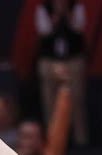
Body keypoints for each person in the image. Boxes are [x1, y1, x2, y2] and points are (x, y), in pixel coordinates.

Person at [35, 0, 88, 145]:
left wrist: (67, 13)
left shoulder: (76, 6)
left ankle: (80, 140)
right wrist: (57, 15)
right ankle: (54, 141)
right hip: (50, 60)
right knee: (50, 103)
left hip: (73, 59)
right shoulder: (43, 9)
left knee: (76, 99)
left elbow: (79, 28)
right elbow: (44, 31)